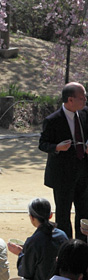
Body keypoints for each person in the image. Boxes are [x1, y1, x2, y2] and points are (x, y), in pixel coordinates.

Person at [39, 82, 88, 240]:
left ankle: (82, 246)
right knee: (63, 215)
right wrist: (57, 147)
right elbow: (43, 144)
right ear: (70, 100)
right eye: (82, 97)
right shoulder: (53, 120)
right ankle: (66, 247)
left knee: (84, 212)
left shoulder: (85, 113)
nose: (85, 100)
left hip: (84, 172)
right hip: (62, 175)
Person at [7, 198, 67, 280]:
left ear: (31, 217)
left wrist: (21, 254)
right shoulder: (62, 235)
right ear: (50, 215)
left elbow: (26, 272)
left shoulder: (33, 241)